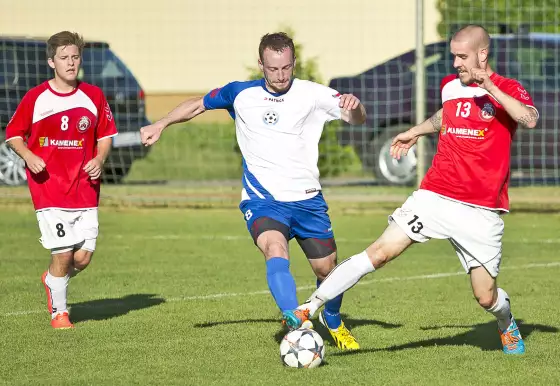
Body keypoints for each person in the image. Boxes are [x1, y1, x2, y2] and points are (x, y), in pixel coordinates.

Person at [284, 24, 539, 355]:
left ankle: (506, 323)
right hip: (434, 195)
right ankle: (308, 308)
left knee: (485, 296)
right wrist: (416, 131)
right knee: (379, 252)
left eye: (463, 57)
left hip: (480, 209)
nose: (456, 64)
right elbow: (446, 115)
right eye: (453, 57)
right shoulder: (451, 86)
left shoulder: (507, 88)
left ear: (482, 54)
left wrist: (488, 85)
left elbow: (529, 118)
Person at [140, 32, 366, 350]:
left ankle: (332, 318)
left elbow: (357, 118)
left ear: (293, 63)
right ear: (261, 63)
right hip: (263, 201)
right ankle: (295, 320)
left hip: (307, 200)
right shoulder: (240, 93)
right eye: (273, 68)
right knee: (275, 250)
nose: (280, 75)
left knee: (327, 269)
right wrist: (161, 123)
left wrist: (354, 108)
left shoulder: (313, 94)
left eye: (286, 67)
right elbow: (197, 105)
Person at [5, 31, 118, 329]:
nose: (70, 63)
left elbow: (106, 135)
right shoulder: (36, 98)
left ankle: (52, 278)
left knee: (81, 259)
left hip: (85, 188)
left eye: (75, 57)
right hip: (49, 188)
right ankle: (60, 313)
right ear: (51, 62)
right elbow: (13, 134)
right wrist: (29, 156)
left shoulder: (93, 95)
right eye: (64, 58)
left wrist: (99, 159)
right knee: (64, 252)